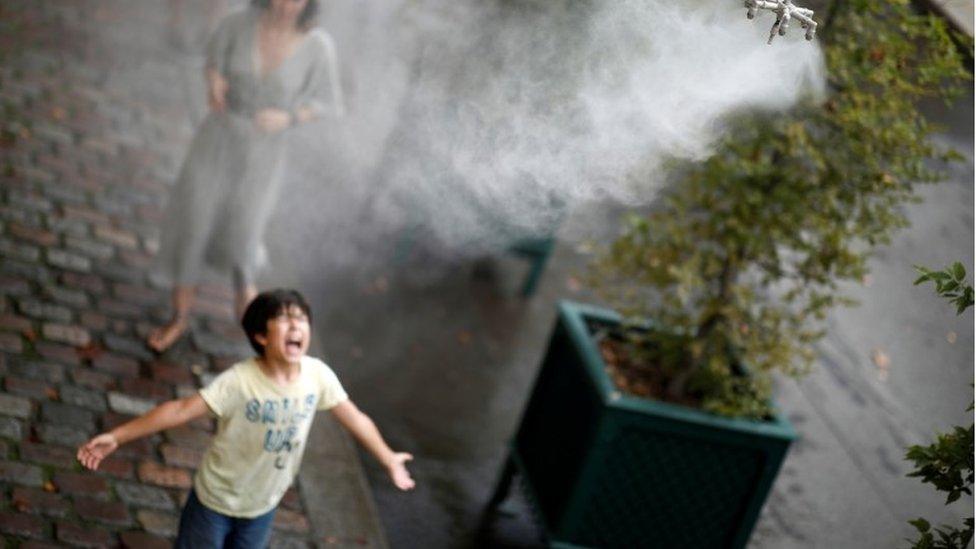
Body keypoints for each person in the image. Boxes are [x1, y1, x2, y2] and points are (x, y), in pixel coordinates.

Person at [78, 289, 413, 547]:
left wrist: (388, 458)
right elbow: (180, 410)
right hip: (215, 501)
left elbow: (354, 417)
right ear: (261, 336)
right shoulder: (239, 382)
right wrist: (118, 436)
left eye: (301, 318)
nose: (295, 325)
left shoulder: (318, 376)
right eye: (283, 319)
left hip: (263, 505)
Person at [149, 0, 344, 352]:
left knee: (244, 234)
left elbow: (328, 104)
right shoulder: (238, 22)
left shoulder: (317, 46)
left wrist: (290, 118)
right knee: (195, 221)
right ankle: (178, 316)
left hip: (264, 154)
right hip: (217, 139)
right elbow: (212, 60)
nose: (286, 4)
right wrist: (215, 81)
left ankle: (258, 330)